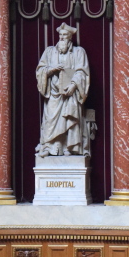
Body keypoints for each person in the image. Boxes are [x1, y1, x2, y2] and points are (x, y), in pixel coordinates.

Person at [35, 23, 91, 157]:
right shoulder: (49, 52)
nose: (61, 37)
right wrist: (51, 69)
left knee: (69, 120)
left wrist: (73, 85)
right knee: (50, 120)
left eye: (64, 35)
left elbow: (82, 72)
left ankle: (70, 147)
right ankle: (50, 146)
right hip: (53, 94)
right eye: (60, 35)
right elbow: (40, 70)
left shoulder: (79, 52)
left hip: (70, 94)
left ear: (70, 37)